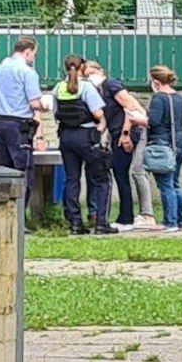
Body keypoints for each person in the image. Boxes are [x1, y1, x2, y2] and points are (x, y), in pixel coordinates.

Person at [50, 54, 114, 234]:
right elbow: (98, 114)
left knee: (72, 180)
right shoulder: (86, 87)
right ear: (81, 68)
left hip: (66, 137)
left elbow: (56, 114)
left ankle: (75, 223)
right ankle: (101, 223)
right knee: (101, 179)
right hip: (86, 137)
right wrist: (99, 131)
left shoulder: (58, 88)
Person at [0, 37, 48, 214]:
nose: (33, 58)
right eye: (34, 54)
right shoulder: (28, 72)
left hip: (0, 124)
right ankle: (19, 216)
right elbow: (34, 103)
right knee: (23, 171)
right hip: (18, 126)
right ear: (27, 51)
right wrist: (46, 107)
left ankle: (3, 213)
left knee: (3, 170)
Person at [86, 60, 150, 229]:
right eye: (86, 75)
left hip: (126, 133)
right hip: (116, 134)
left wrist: (126, 134)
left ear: (101, 71)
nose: (90, 76)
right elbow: (107, 117)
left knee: (121, 172)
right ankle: (125, 215)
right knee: (119, 172)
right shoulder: (99, 91)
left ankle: (126, 217)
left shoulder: (112, 86)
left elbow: (130, 108)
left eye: (92, 72)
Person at [146, 65, 182, 232]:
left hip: (163, 144)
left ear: (156, 82)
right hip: (180, 142)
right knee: (175, 182)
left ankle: (170, 222)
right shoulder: (178, 97)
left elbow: (154, 121)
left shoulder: (159, 98)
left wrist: (139, 119)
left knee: (166, 185)